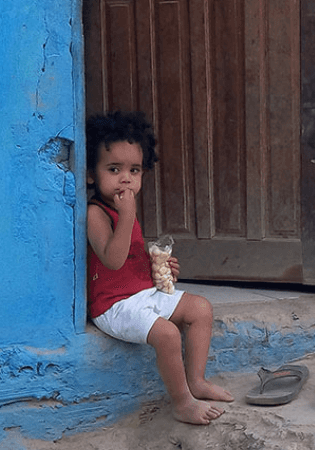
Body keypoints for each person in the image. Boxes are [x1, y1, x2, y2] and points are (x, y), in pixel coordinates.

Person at [85, 111, 233, 425]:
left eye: (134, 170)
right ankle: (181, 402)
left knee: (201, 308)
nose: (126, 178)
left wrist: (160, 270)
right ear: (90, 174)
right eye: (114, 169)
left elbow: (130, 261)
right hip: (113, 306)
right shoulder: (96, 214)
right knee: (166, 334)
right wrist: (126, 217)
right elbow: (112, 260)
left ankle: (197, 380)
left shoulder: (123, 210)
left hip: (142, 294)